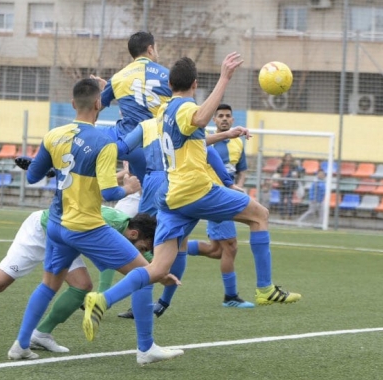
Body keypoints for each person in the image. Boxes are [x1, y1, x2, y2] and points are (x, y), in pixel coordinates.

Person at [83, 54, 301, 350]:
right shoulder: (186, 107)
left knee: (158, 269)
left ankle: (102, 299)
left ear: (169, 84)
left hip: (172, 198)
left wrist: (226, 133)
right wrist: (224, 77)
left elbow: (192, 137)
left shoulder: (162, 113)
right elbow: (198, 117)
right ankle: (264, 288)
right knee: (259, 215)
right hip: (196, 190)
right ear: (195, 84)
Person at [0, 78, 181, 364]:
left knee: (49, 285)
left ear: (73, 103)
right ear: (99, 104)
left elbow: (33, 176)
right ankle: (145, 348)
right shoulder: (105, 142)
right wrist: (129, 189)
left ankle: (21, 345)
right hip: (86, 226)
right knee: (146, 275)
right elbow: (109, 192)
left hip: (57, 225)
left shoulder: (54, 134)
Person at [0, 205, 156, 353]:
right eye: (143, 247)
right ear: (133, 233)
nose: (140, 253)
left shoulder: (119, 227)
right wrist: (148, 273)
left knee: (81, 286)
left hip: (60, 237)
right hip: (41, 230)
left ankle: (40, 335)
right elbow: (123, 267)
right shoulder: (113, 226)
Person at [113, 114, 249, 318]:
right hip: (183, 184)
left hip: (161, 181)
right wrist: (228, 182)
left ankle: (136, 301)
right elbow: (208, 150)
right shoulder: (181, 121)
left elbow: (121, 148)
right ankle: (159, 302)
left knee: (142, 241)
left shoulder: (147, 124)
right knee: (176, 244)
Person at [91, 31, 172, 217]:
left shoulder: (119, 77)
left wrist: (107, 90)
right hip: (155, 147)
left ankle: (55, 165)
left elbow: (94, 110)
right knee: (155, 208)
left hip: (126, 141)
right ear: (150, 49)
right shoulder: (168, 76)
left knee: (83, 134)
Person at [184, 104, 255, 309]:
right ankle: (230, 297)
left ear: (233, 120)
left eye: (228, 116)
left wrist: (239, 185)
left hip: (228, 196)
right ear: (214, 120)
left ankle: (173, 246)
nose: (224, 119)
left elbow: (242, 170)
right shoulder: (206, 140)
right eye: (221, 116)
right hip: (215, 197)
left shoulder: (238, 144)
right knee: (230, 247)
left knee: (216, 250)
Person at [276, 152, 303, 219]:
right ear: (284, 158)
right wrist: (279, 179)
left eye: (289, 158)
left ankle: (290, 215)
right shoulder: (281, 166)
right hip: (282, 184)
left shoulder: (294, 166)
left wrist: (297, 175)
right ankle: (282, 215)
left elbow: (299, 174)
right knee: (281, 200)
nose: (288, 160)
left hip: (290, 185)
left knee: (289, 201)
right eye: (286, 158)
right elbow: (277, 173)